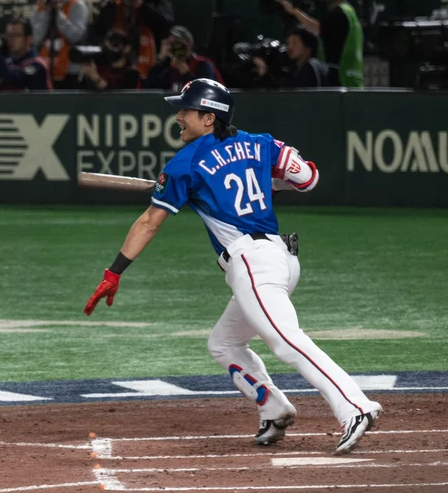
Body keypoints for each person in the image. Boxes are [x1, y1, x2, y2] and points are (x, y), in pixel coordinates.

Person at [83, 78, 382, 455]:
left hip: (253, 264)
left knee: (286, 340)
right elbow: (308, 179)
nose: (178, 117)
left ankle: (355, 406)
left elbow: (148, 223)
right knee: (224, 344)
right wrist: (268, 183)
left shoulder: (185, 164)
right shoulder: (262, 143)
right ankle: (274, 408)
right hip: (280, 260)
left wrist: (114, 272)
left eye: (186, 110)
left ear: (209, 117)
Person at [278, 0, 363, 88]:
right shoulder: (349, 13)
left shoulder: (341, 12)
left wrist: (294, 11)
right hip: (350, 82)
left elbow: (317, 28)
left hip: (342, 82)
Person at [92, 0, 174, 78]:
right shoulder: (116, 3)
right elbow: (98, 30)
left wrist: (140, 6)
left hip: (150, 67)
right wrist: (114, 2)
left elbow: (166, 26)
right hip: (118, 67)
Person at [31, 0, 88, 89]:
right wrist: (46, 12)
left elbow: (76, 36)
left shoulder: (76, 5)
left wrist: (58, 14)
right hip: (44, 67)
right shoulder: (40, 6)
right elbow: (36, 39)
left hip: (70, 70)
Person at [0, 18, 52, 91]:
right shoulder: (7, 61)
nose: (11, 39)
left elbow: (14, 79)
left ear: (29, 39)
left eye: (16, 35)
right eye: (8, 35)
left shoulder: (37, 65)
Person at [144, 25, 222, 91]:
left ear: (189, 43)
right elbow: (148, 90)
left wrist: (185, 73)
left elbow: (204, 92)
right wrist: (160, 61)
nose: (176, 47)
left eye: (178, 42)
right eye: (171, 43)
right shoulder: (166, 67)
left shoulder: (203, 64)